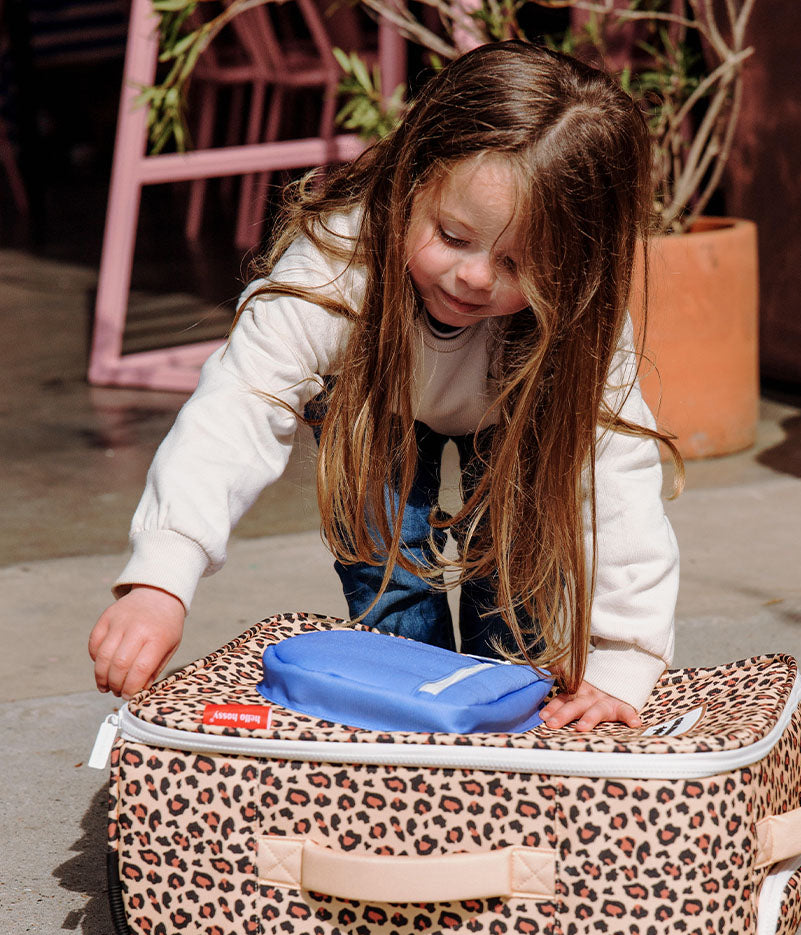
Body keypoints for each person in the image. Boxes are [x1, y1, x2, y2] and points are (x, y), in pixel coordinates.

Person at [88, 39, 682, 733]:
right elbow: (239, 404)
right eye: (453, 236)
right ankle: (411, 732)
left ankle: (511, 734)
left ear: (580, 266)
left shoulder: (581, 322)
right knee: (395, 595)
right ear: (409, 180)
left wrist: (622, 660)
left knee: (520, 611)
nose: (477, 278)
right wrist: (161, 577)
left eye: (521, 263)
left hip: (516, 413)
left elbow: (612, 478)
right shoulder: (339, 264)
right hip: (377, 409)